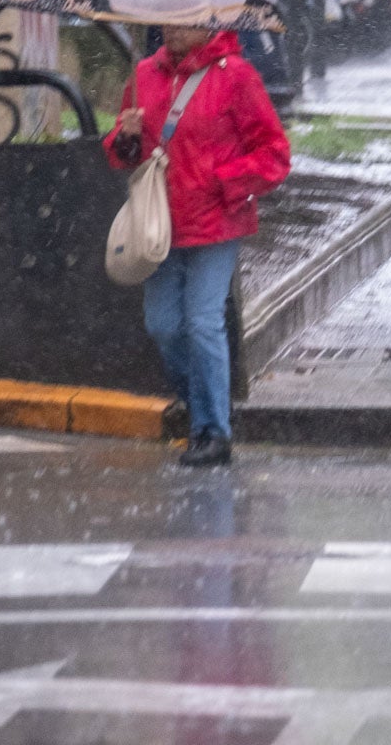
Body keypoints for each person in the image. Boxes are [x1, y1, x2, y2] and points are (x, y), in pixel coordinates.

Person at [104, 26, 290, 467]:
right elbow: (122, 155)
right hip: (159, 227)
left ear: (209, 24)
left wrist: (222, 182)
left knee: (203, 323)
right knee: (164, 325)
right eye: (168, 18)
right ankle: (207, 406)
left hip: (216, 224)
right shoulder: (145, 74)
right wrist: (126, 135)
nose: (174, 27)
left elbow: (274, 154)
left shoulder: (236, 77)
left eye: (185, 18)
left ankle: (211, 432)